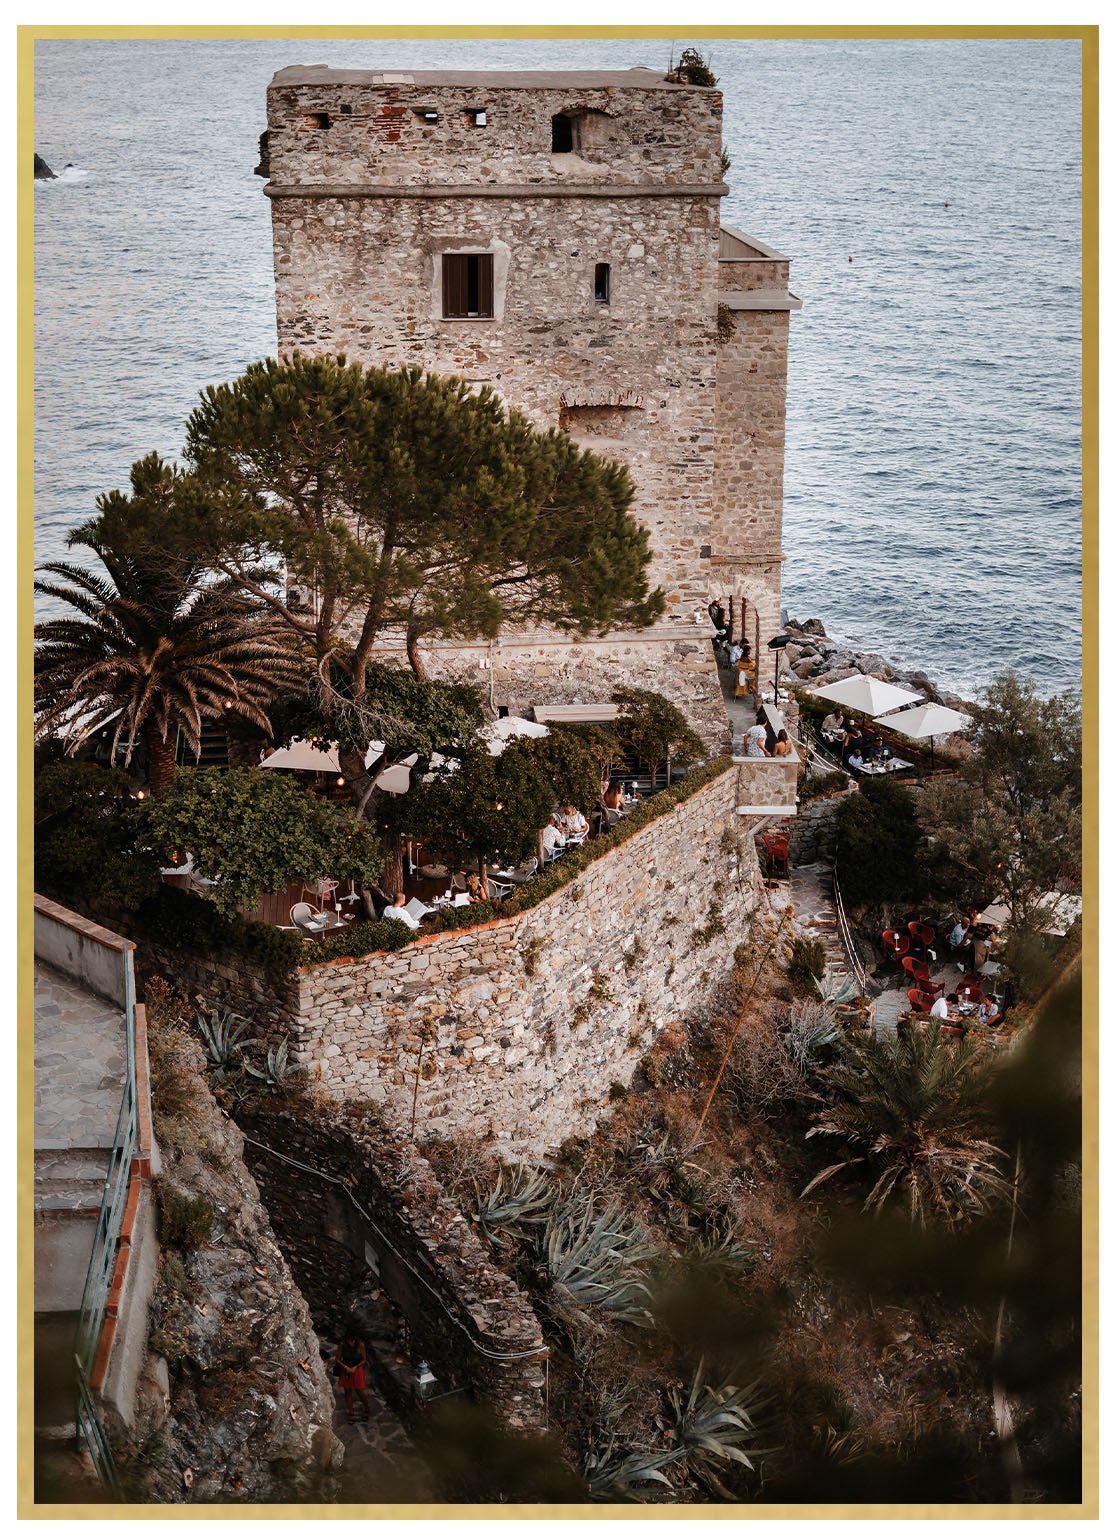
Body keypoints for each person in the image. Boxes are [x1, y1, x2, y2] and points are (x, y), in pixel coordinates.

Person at [334, 1330, 370, 1422]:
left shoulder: (361, 1345)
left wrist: (355, 1367)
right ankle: (351, 1412)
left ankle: (367, 1409)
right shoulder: (342, 1345)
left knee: (360, 1391)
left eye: (352, 1340)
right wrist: (345, 1367)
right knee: (348, 1392)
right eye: (349, 1340)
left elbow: (364, 1359)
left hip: (357, 1371)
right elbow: (337, 1359)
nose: (351, 1342)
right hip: (346, 1371)